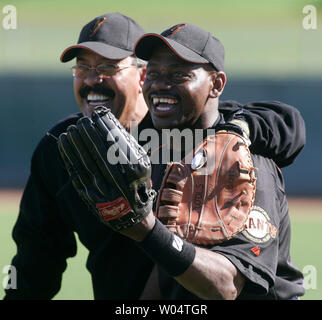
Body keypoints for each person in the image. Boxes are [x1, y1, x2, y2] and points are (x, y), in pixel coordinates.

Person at [3, 13, 305, 300]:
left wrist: (146, 228)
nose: (93, 80)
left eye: (108, 68)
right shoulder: (63, 149)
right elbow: (36, 262)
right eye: (82, 69)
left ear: (139, 76)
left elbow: (228, 287)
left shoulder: (215, 147)